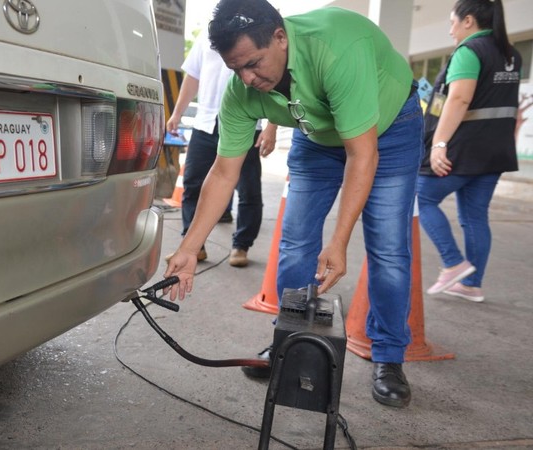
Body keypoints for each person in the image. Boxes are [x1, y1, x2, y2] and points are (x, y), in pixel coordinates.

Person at [164, 0, 423, 409]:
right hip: (317, 133)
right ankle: (290, 343)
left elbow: (362, 154)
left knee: (388, 248)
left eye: (253, 63)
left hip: (389, 129)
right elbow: (223, 172)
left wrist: (338, 241)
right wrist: (188, 248)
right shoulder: (242, 90)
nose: (247, 79)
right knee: (296, 242)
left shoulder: (336, 49)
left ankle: (389, 356)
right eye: (236, 69)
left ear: (281, 38)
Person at [417, 0, 521, 303]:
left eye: (452, 22)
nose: (450, 30)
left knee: (420, 197)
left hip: (463, 148)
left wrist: (439, 143)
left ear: (468, 21)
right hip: (495, 151)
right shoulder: (510, 53)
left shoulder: (470, 52)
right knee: (475, 216)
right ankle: (471, 284)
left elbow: (459, 99)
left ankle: (453, 263)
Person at [166, 31, 278, 267]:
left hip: (246, 123)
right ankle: (193, 245)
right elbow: (193, 77)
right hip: (206, 122)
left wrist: (271, 126)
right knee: (193, 184)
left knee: (248, 190)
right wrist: (177, 113)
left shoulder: (255, 33)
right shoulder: (207, 36)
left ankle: (241, 245)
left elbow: (276, 79)